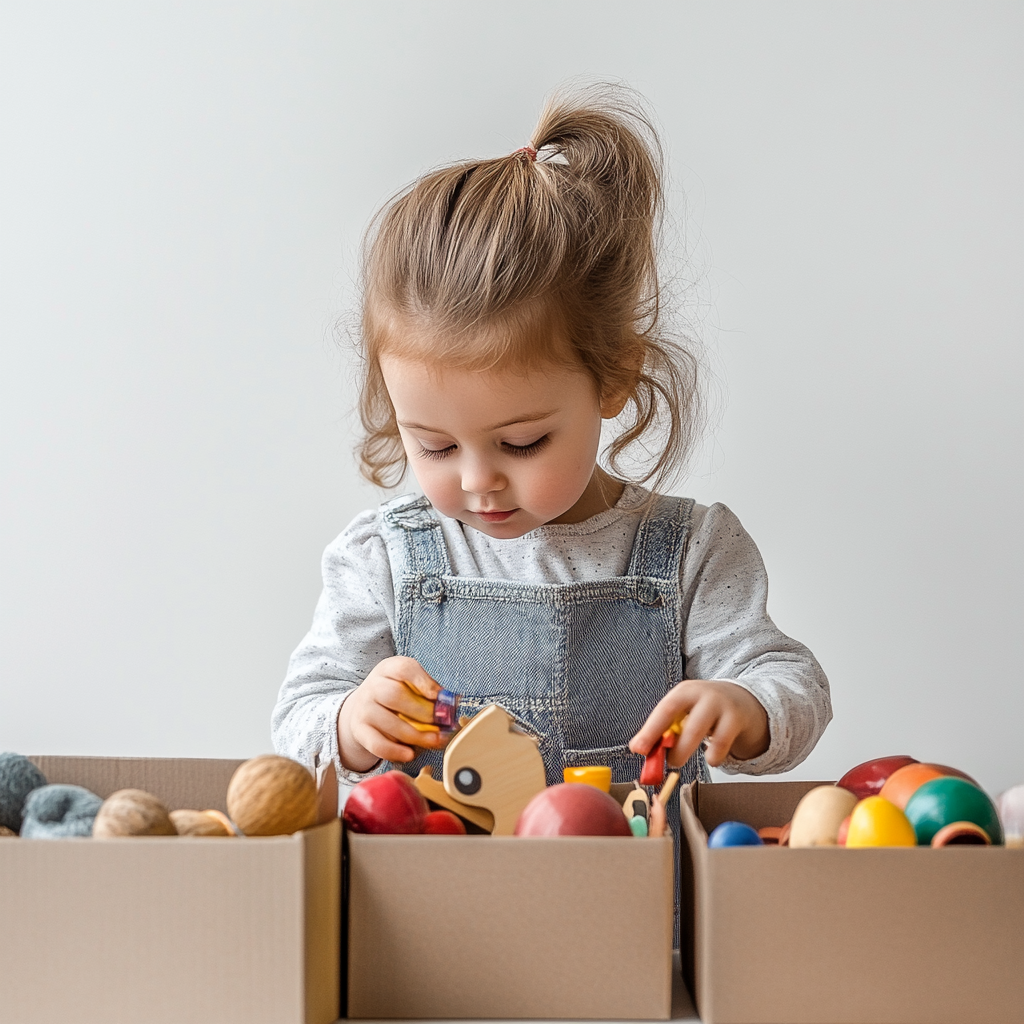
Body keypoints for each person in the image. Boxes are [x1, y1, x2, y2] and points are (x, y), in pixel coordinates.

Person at [272, 85, 831, 811]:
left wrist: (744, 708)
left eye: (521, 441)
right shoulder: (382, 557)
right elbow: (298, 719)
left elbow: (794, 685)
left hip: (633, 904)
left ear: (613, 379)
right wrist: (349, 723)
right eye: (435, 447)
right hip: (435, 909)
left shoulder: (691, 552)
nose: (479, 482)